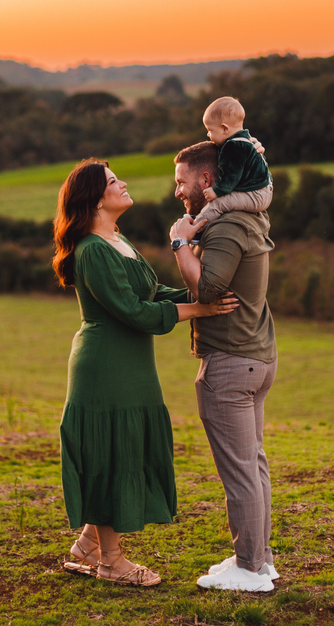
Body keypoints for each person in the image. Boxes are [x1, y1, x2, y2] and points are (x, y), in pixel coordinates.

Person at [53, 159, 238, 587]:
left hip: (131, 365)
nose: (123, 184)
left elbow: (153, 293)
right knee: (111, 453)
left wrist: (204, 291)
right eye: (114, 181)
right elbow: (135, 312)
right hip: (105, 367)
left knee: (124, 451)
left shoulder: (117, 240)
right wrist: (200, 309)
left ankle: (88, 545)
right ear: (96, 198)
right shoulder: (92, 249)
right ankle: (112, 562)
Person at [168, 141, 280, 593]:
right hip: (254, 357)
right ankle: (258, 559)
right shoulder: (244, 218)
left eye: (181, 182)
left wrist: (179, 242)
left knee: (240, 471)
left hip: (231, 364)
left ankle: (251, 570)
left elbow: (208, 291)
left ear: (207, 181)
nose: (178, 191)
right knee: (252, 464)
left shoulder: (229, 225)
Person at [193, 96, 274, 225]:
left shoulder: (233, 147)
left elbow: (231, 176)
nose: (208, 135)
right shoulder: (246, 140)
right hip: (262, 190)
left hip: (256, 195)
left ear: (225, 129)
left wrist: (216, 191)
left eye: (210, 130)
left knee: (219, 203)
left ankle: (196, 228)